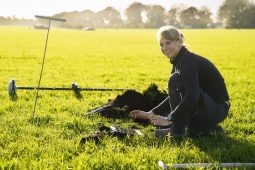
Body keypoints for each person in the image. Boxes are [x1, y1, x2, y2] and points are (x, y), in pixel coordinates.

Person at [130, 26, 230, 137]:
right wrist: (150, 113)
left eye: (168, 43)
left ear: (178, 41)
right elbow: (173, 96)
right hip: (208, 106)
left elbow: (193, 95)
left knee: (174, 81)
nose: (164, 48)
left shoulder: (188, 61)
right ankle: (204, 130)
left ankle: (177, 130)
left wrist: (170, 119)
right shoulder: (179, 61)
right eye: (161, 45)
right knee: (171, 108)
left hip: (218, 108)